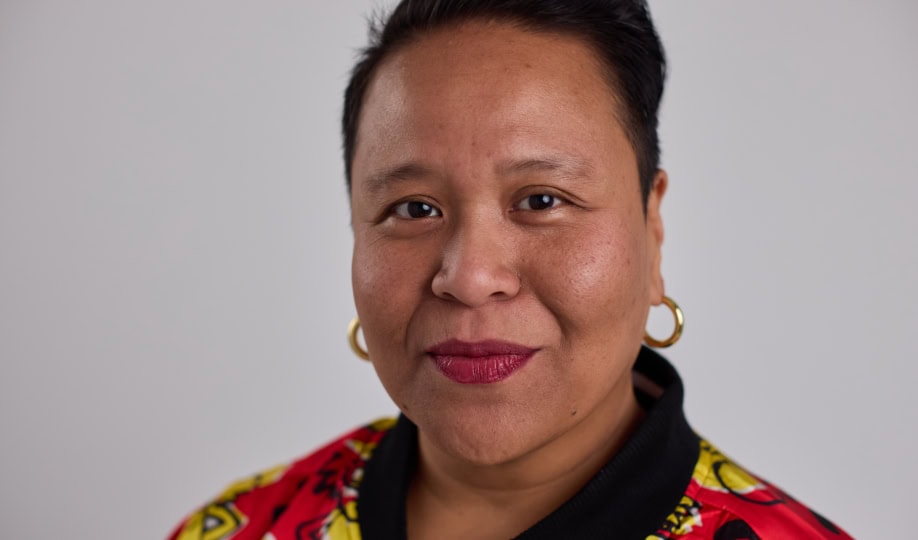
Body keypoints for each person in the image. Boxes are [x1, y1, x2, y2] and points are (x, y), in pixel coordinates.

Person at [168, 1, 852, 538]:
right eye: (413, 208)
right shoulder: (244, 526)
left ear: (652, 230)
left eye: (542, 199)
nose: (469, 277)